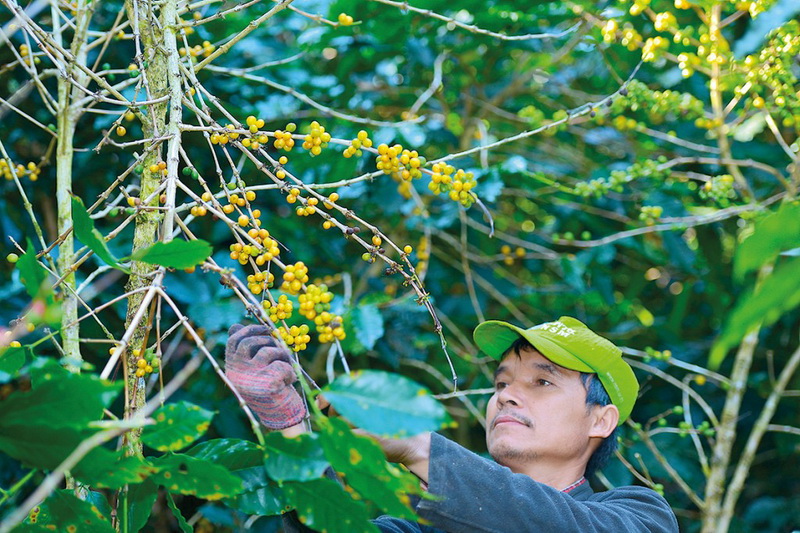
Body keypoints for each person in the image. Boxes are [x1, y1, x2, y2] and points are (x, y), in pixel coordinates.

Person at [225, 317, 679, 532]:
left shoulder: (641, 516)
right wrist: (289, 427)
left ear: (601, 420)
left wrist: (421, 449)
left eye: (542, 381)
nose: (506, 394)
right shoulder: (423, 527)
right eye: (501, 383)